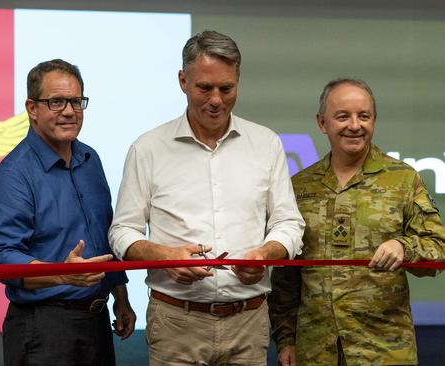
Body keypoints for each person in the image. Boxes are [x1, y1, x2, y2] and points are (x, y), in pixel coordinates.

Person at [108, 30, 305, 365]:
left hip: (249, 321)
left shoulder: (266, 144)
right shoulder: (148, 148)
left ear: (238, 81)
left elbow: (289, 223)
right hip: (176, 323)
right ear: (183, 80)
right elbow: (122, 232)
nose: (216, 99)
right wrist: (164, 256)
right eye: (204, 88)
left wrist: (265, 253)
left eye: (226, 88)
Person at [268, 78, 445, 365]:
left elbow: (438, 248)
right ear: (322, 123)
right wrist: (286, 339)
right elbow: (286, 277)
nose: (355, 125)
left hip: (384, 349)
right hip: (316, 351)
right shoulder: (299, 186)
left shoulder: (402, 179)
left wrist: (404, 246)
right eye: (342, 116)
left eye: (364, 116)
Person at [0, 59, 136, 366]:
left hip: (97, 320)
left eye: (76, 101)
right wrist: (61, 273)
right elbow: (1, 256)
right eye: (56, 102)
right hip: (42, 326)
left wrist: (121, 298)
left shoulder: (90, 159)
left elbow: (105, 238)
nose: (69, 111)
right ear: (31, 108)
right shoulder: (14, 174)